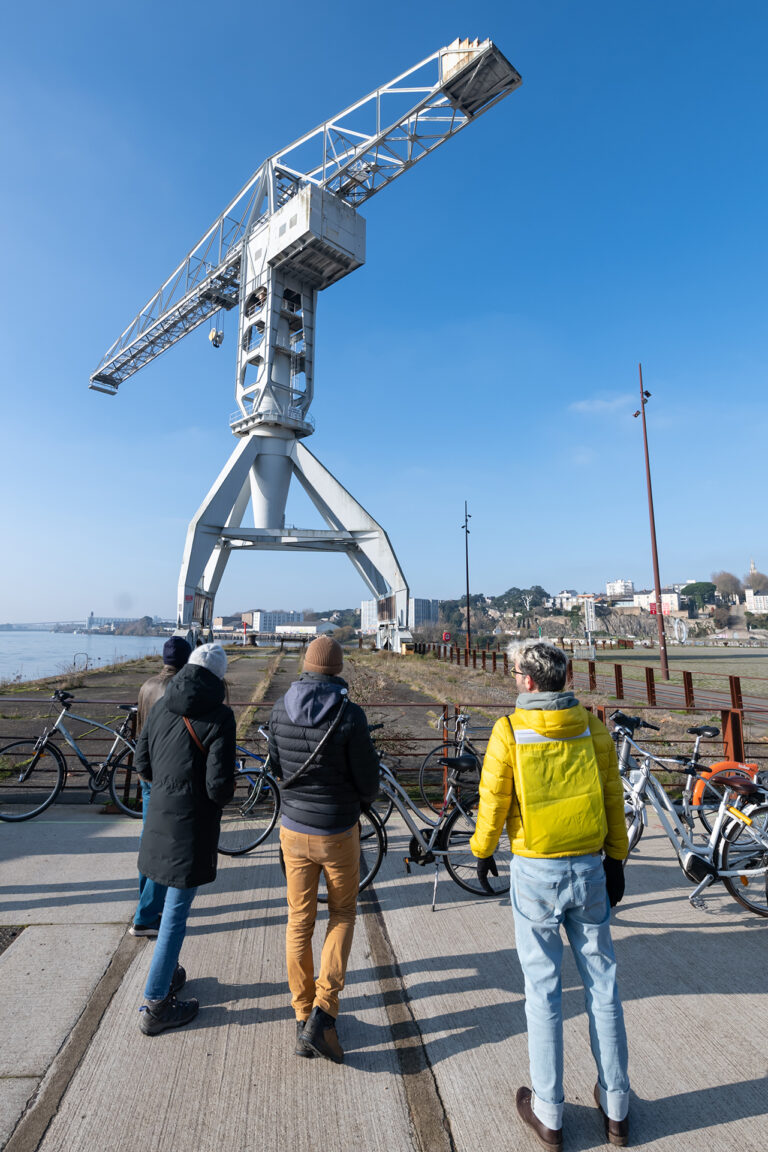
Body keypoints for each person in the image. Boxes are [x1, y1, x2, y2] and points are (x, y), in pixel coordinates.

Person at [470, 639, 630, 1150]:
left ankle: (549, 1112)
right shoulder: (592, 726)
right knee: (603, 985)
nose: (515, 678)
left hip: (535, 871)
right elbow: (612, 794)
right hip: (588, 866)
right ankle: (617, 1106)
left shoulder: (510, 731)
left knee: (543, 992)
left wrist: (482, 849)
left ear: (531, 681)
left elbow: (493, 798)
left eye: (517, 672)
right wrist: (617, 857)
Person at [268, 635, 379, 1063]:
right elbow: (368, 780)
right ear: (337, 669)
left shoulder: (279, 708)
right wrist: (356, 800)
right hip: (336, 829)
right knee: (342, 913)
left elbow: (276, 765)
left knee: (299, 919)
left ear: (307, 665)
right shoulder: (350, 714)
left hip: (293, 829)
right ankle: (324, 1015)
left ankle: (301, 1015)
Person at [135, 642, 235, 1035]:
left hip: (158, 818)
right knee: (176, 915)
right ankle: (156, 1003)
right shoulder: (220, 717)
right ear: (219, 678)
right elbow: (219, 788)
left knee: (166, 913)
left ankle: (168, 971)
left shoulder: (160, 704)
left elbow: (142, 763)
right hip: (191, 828)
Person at [129, 636, 192, 937]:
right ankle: (147, 914)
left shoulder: (147, 686)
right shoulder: (178, 689)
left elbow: (140, 727)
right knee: (165, 845)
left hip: (146, 771)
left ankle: (145, 903)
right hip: (168, 773)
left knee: (149, 838)